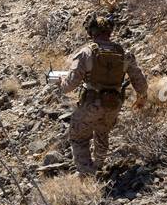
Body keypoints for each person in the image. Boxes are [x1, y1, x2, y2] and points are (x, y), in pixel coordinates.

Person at [56, 12, 148, 178]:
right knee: (102, 132)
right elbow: (139, 80)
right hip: (113, 105)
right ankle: (99, 166)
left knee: (78, 137)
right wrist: (141, 98)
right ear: (110, 32)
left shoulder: (85, 53)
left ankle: (87, 175)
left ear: (91, 32)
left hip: (91, 103)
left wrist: (60, 85)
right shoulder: (124, 53)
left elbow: (70, 84)